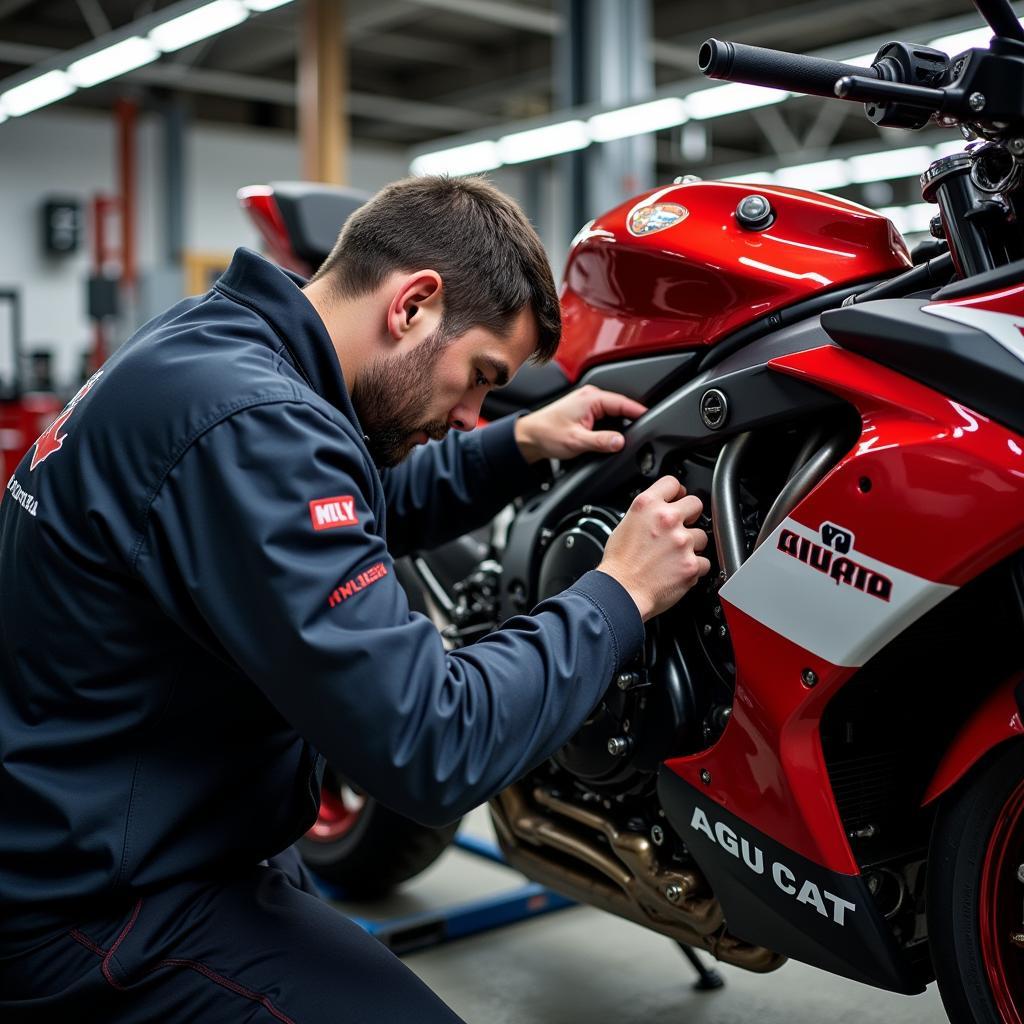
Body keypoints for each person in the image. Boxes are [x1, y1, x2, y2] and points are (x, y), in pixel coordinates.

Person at [0, 175, 709, 1022]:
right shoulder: (257, 423)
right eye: (480, 376)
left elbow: (352, 513)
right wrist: (616, 595)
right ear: (413, 304)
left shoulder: (217, 344)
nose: (470, 415)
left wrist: (518, 445)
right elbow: (431, 743)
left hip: (124, 826)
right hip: (102, 906)